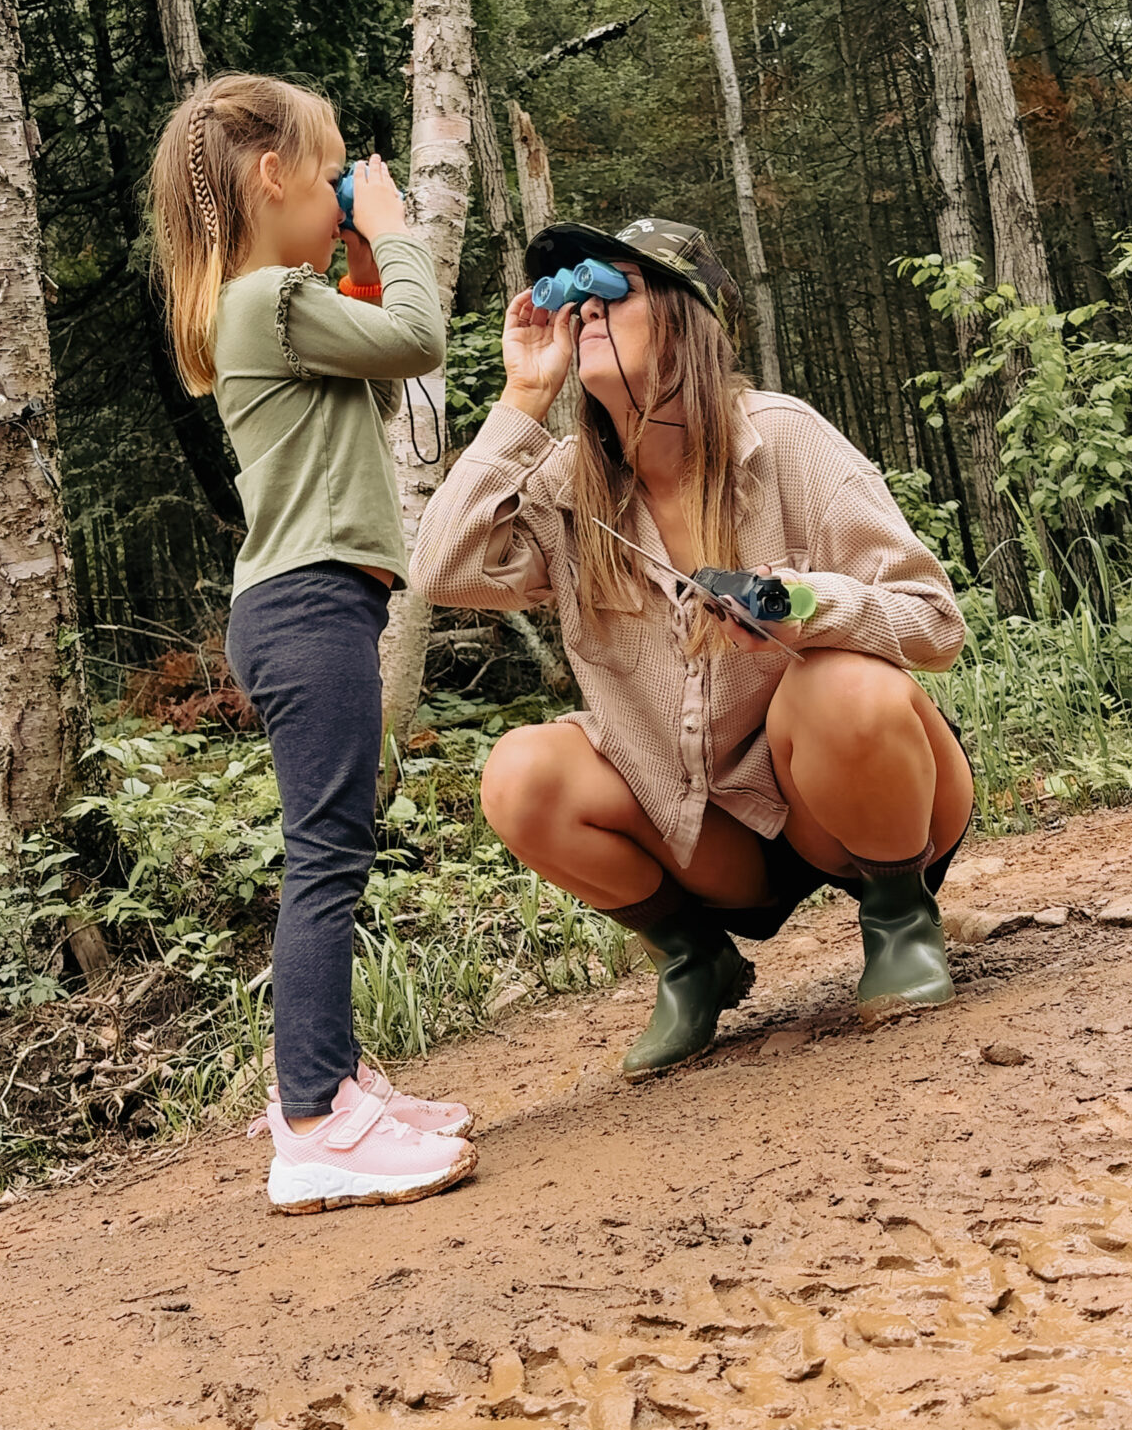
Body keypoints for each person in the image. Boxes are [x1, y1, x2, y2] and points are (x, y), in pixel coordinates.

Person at [409, 217, 973, 1079]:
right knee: (521, 774)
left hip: (852, 799)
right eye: (575, 296)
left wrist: (809, 607)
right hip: (713, 836)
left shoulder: (782, 438)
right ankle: (694, 958)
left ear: (687, 319)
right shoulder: (567, 488)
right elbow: (441, 570)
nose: (584, 309)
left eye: (614, 288)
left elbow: (935, 622)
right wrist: (521, 397)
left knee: (841, 687)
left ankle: (899, 919)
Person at [148, 73, 476, 1209]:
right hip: (308, 603)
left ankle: (334, 1083)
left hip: (313, 604)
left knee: (333, 844)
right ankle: (313, 1124)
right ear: (271, 176)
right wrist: (396, 229)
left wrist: (367, 255)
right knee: (327, 855)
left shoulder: (272, 304)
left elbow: (376, 379)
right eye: (332, 172)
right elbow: (420, 339)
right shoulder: (266, 299)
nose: (343, 191)